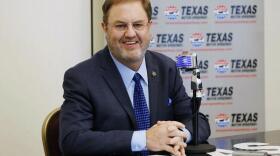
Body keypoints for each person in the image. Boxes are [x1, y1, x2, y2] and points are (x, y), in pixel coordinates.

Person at [59, 0, 211, 155]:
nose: (130, 33)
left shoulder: (166, 68)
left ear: (149, 26)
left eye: (138, 25)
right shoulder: (81, 78)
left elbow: (197, 121)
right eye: (120, 26)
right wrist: (144, 139)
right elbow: (73, 141)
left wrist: (179, 136)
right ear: (105, 28)